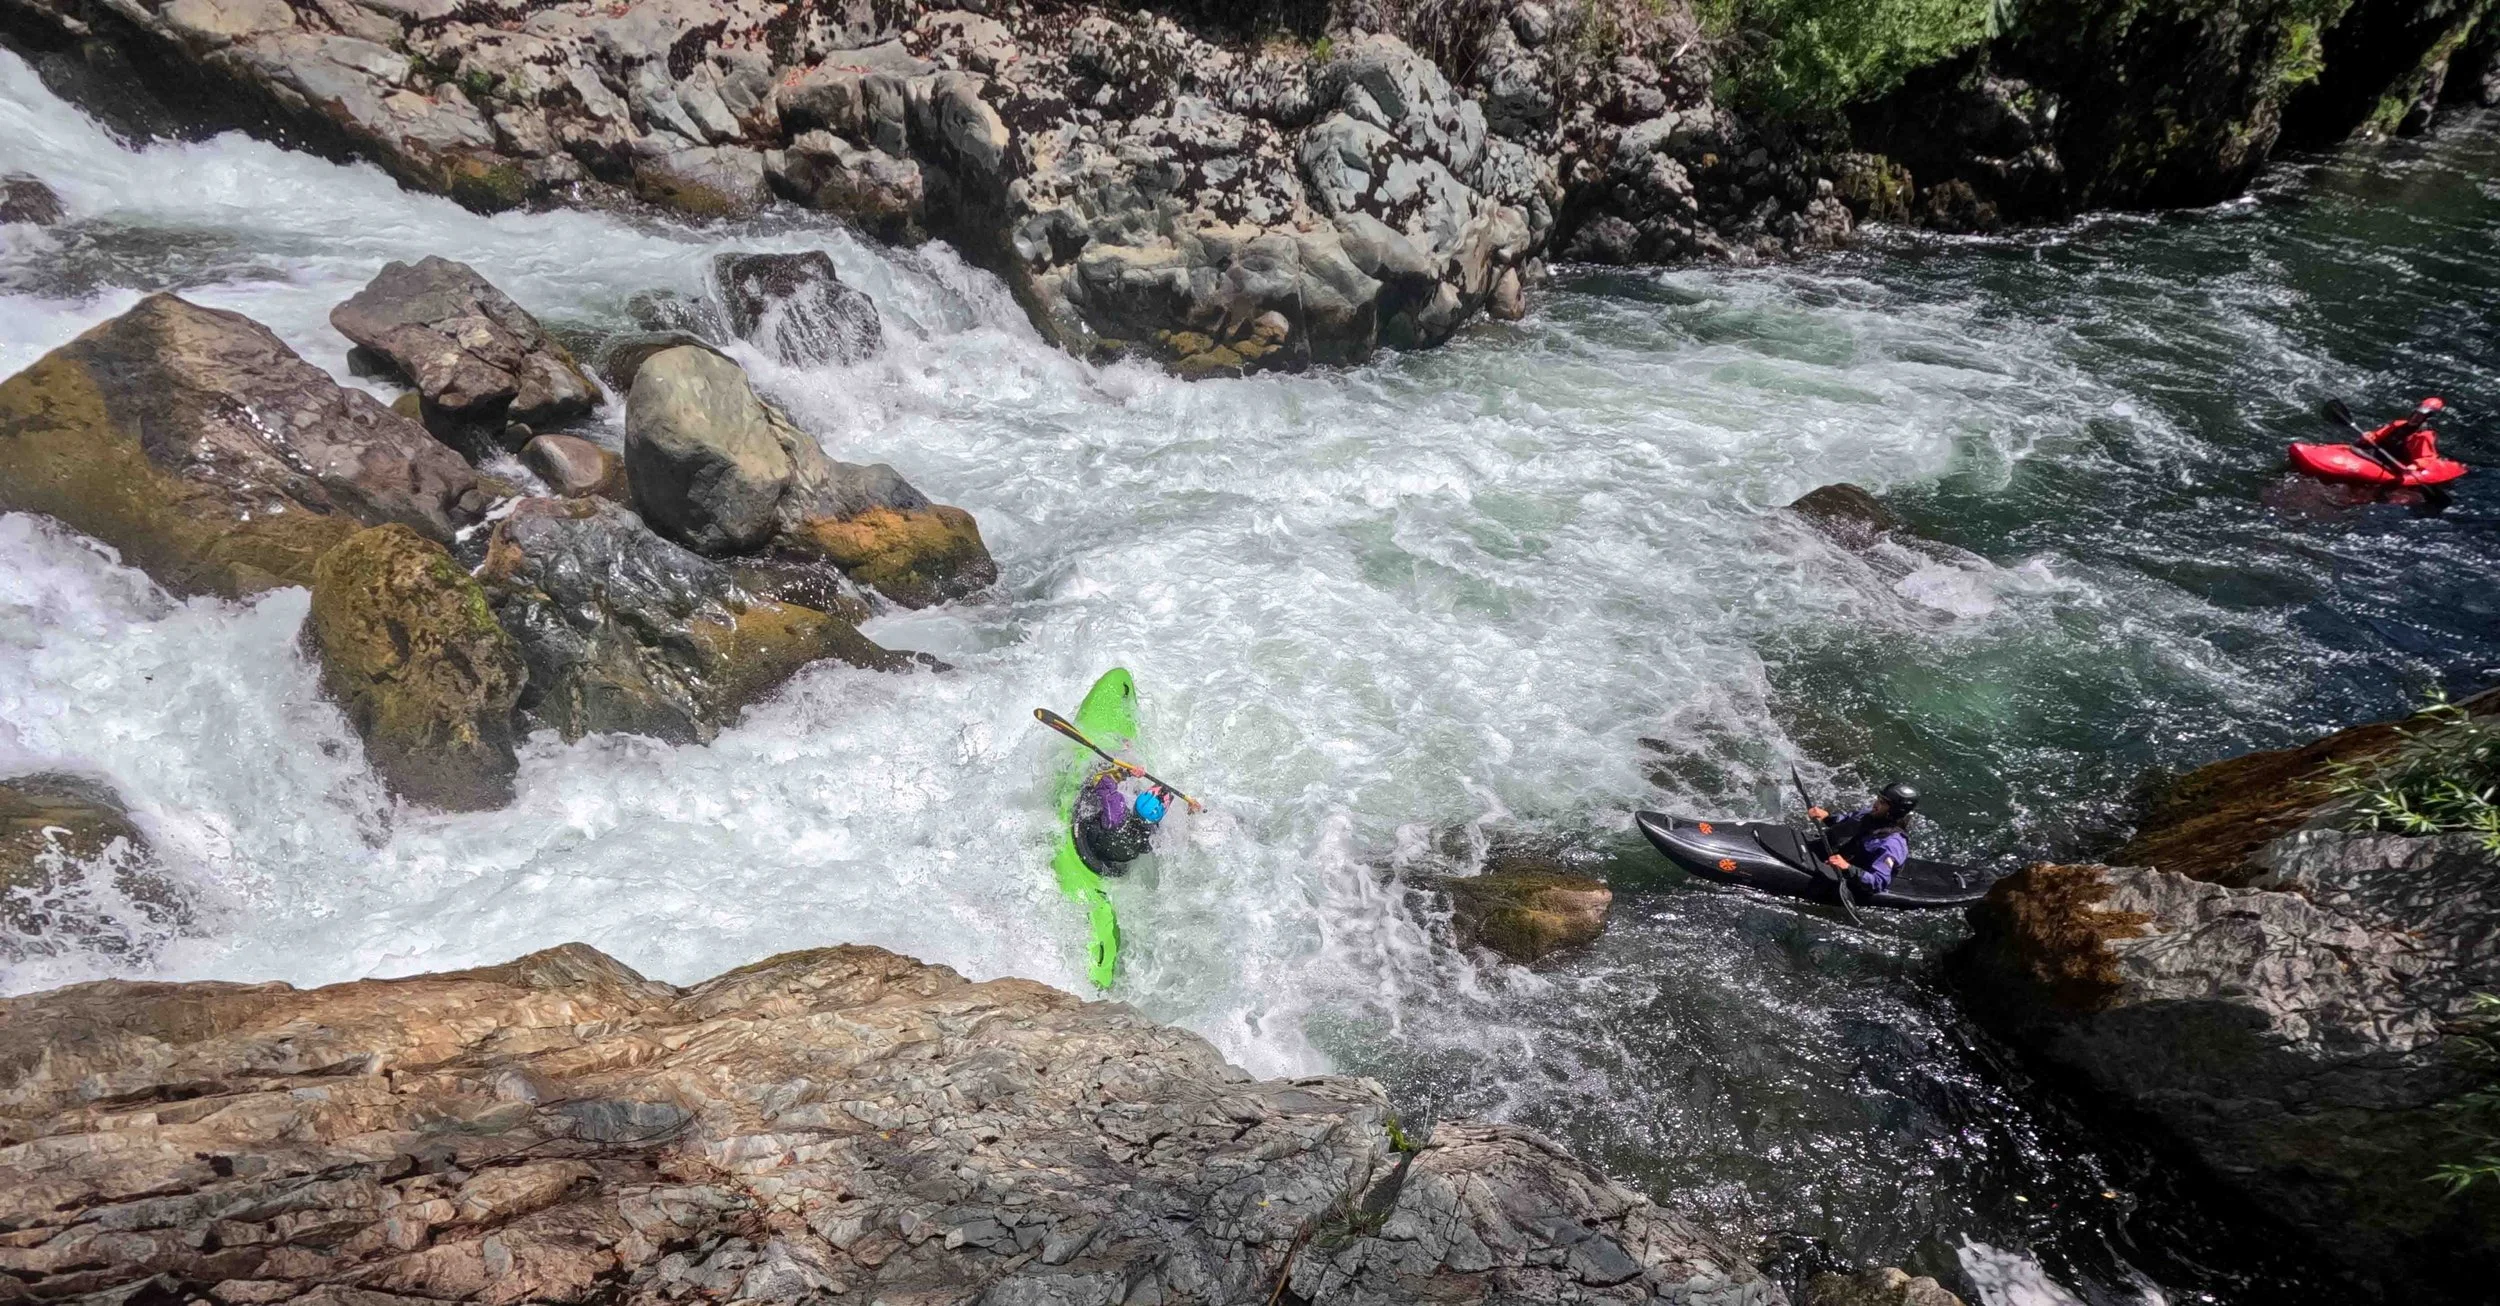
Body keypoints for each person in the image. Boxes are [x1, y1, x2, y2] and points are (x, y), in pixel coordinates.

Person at [1805, 781, 1918, 897]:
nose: (1876, 804)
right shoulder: (1870, 814)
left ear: (1894, 811)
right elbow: (1847, 822)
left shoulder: (1892, 843)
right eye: (1879, 798)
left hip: (1853, 879)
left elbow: (1878, 881)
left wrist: (1847, 868)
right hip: (1835, 859)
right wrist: (1827, 817)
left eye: (1882, 802)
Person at [1075, 766, 1173, 870]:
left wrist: (1126, 773)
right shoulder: (1151, 839)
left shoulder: (1117, 811)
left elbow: (1099, 779)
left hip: (1092, 841)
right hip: (1109, 856)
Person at [2363, 397, 2445, 469]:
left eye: (2420, 417)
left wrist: (2416, 465)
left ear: (2426, 420)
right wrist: (2370, 436)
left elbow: (2428, 458)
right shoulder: (2398, 424)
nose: (2415, 418)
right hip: (2380, 453)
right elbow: (2377, 436)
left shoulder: (2424, 436)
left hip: (2396, 463)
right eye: (2415, 414)